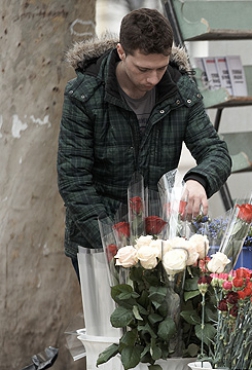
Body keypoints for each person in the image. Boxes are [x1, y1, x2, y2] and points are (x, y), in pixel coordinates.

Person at [57, 8, 232, 279]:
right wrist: (112, 240)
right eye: (143, 69)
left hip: (160, 241)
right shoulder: (84, 95)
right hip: (96, 243)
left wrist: (199, 180)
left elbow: (216, 152)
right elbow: (73, 179)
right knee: (107, 321)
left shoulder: (180, 91)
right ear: (121, 52)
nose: (153, 79)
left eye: (161, 68)